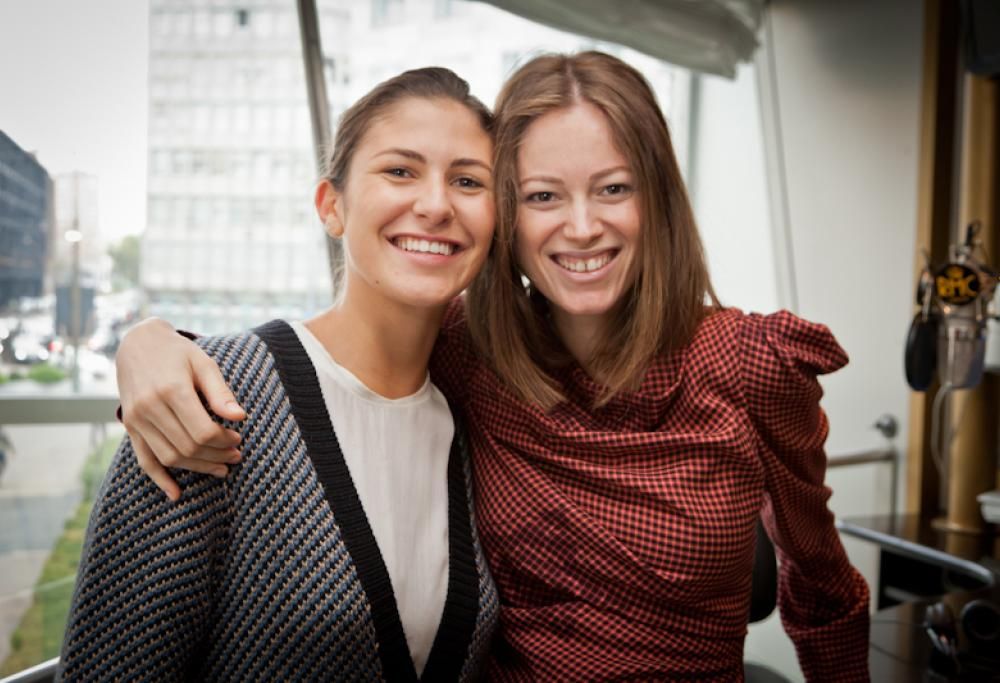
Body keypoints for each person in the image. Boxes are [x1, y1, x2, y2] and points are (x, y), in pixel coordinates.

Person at [111, 52, 870, 681]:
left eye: (614, 189)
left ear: (658, 200)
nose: (581, 226)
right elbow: (336, 350)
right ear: (510, 215)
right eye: (543, 195)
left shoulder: (750, 365)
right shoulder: (473, 351)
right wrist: (154, 343)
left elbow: (824, 586)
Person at [58, 67, 500, 682]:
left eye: (468, 180)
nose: (435, 204)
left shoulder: (474, 409)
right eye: (400, 170)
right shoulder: (209, 397)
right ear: (333, 207)